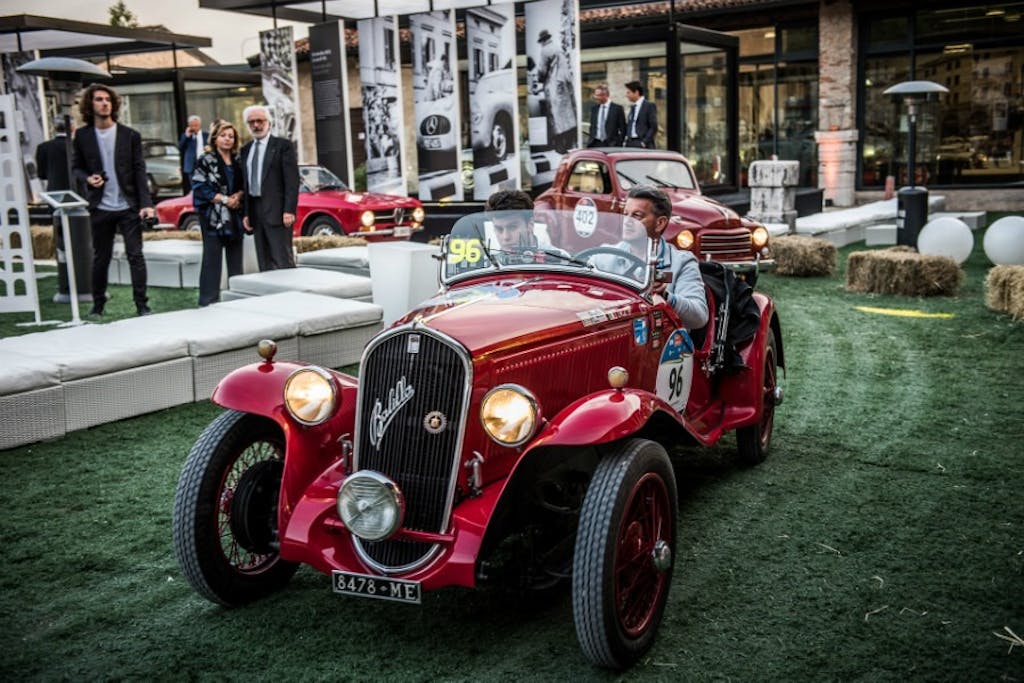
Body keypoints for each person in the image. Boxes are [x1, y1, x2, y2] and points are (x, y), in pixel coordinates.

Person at [71, 83, 155, 317]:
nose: (104, 103)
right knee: (101, 257)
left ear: (114, 104)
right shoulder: (83, 135)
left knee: (135, 255)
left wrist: (146, 204)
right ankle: (98, 304)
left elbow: (140, 170)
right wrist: (88, 179)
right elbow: (75, 168)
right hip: (100, 206)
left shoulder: (130, 135)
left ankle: (142, 305)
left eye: (107, 99)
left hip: (129, 205)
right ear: (90, 105)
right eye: (98, 99)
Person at [623, 185, 708, 330]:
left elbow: (699, 316)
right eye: (625, 214)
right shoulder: (604, 257)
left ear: (660, 223)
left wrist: (666, 296)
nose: (626, 221)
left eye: (636, 216)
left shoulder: (681, 262)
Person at [191, 121, 245, 306]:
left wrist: (238, 195)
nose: (227, 139)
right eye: (223, 135)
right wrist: (223, 199)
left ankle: (236, 298)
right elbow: (199, 188)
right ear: (215, 138)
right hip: (212, 217)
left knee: (236, 259)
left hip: (235, 215)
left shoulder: (239, 160)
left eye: (231, 136)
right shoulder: (205, 160)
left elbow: (244, 184)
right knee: (212, 259)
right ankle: (208, 301)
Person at [241, 104, 299, 271]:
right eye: (251, 122)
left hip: (278, 211)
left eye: (260, 121)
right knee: (263, 260)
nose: (256, 125)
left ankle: (291, 294)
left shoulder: (283, 146)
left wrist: (289, 210)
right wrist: (246, 213)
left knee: (282, 259)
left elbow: (292, 181)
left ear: (269, 123)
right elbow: (245, 183)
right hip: (255, 210)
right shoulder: (246, 150)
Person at [535, 29, 578, 154]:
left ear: (543, 40)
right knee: (568, 115)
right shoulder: (558, 48)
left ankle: (560, 146)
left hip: (553, 85)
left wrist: (539, 80)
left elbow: (542, 71)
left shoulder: (545, 50)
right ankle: (570, 143)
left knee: (555, 116)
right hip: (564, 84)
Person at [35, 117, 72, 191]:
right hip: (77, 192)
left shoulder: (43, 147)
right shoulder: (77, 146)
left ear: (55, 128)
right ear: (71, 127)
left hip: (54, 191)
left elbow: (41, 175)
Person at [624, 80, 658, 149]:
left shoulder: (649, 106)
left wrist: (644, 142)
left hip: (642, 144)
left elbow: (653, 127)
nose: (626, 95)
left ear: (636, 92)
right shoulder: (633, 107)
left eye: (628, 93)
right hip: (630, 143)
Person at [178, 115, 208, 194]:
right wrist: (186, 136)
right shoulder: (186, 136)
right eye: (192, 126)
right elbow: (181, 147)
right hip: (192, 165)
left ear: (200, 125)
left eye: (196, 125)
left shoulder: (206, 135)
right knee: (194, 187)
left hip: (204, 164)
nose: (194, 127)